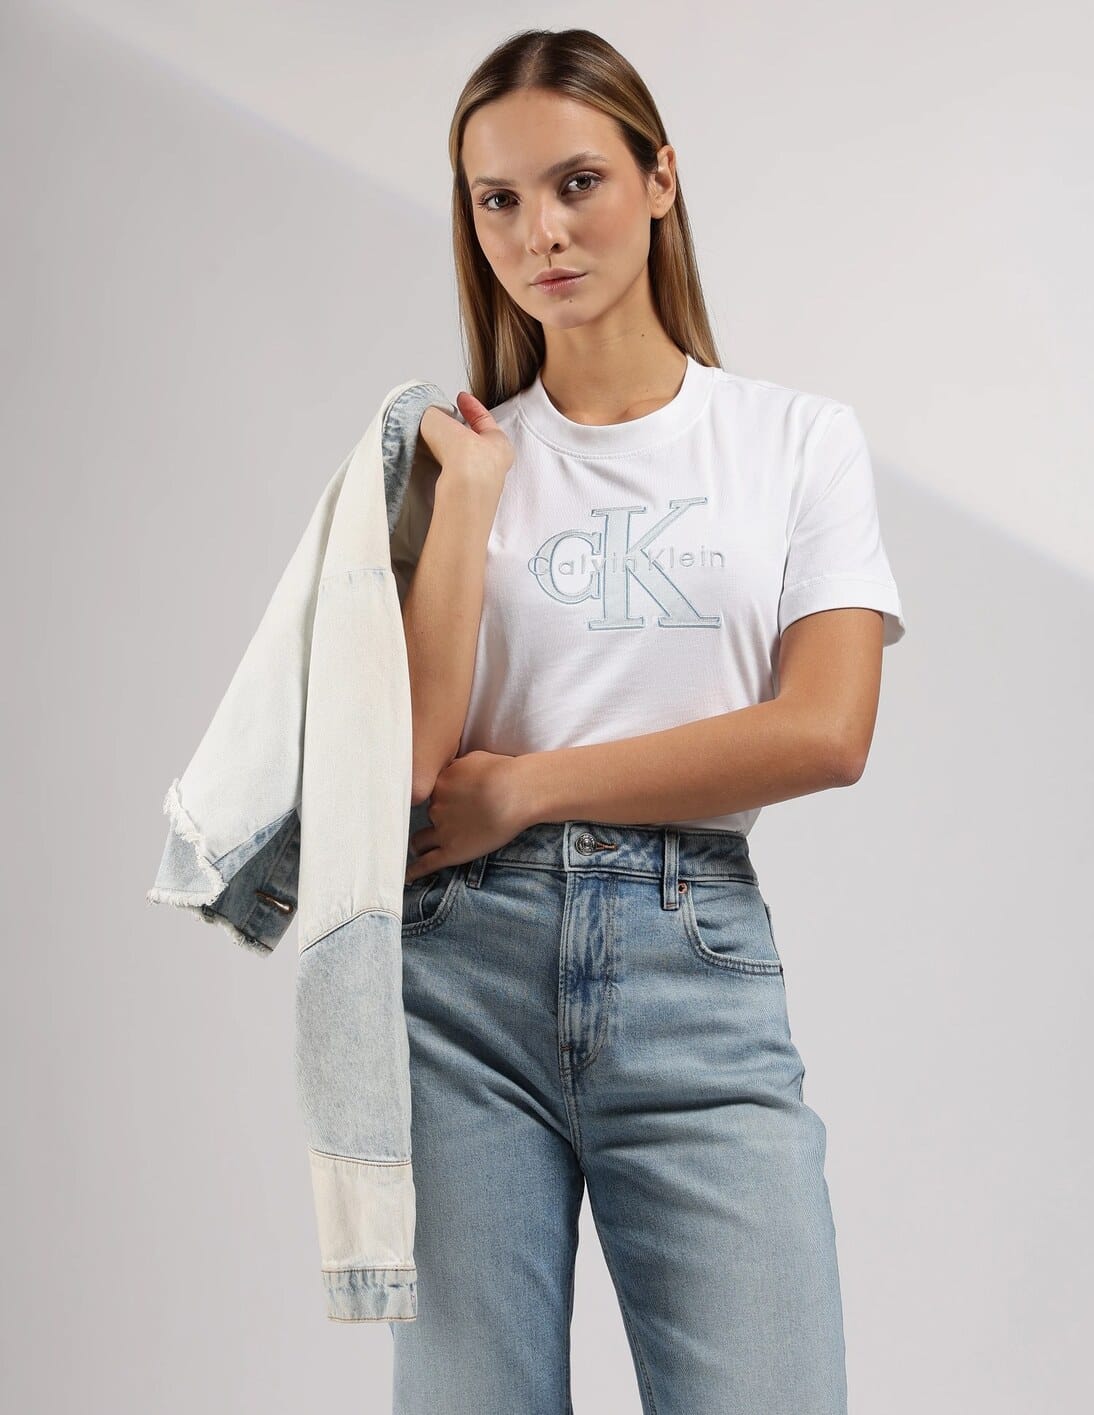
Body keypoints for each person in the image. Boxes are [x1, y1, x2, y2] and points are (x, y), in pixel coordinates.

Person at [391, 27, 905, 1415]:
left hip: (695, 964)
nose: (539, 234)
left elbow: (825, 731)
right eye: (498, 200)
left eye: (577, 183)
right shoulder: (460, 459)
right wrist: (470, 501)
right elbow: (421, 768)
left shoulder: (794, 440)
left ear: (660, 179)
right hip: (461, 979)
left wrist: (531, 787)